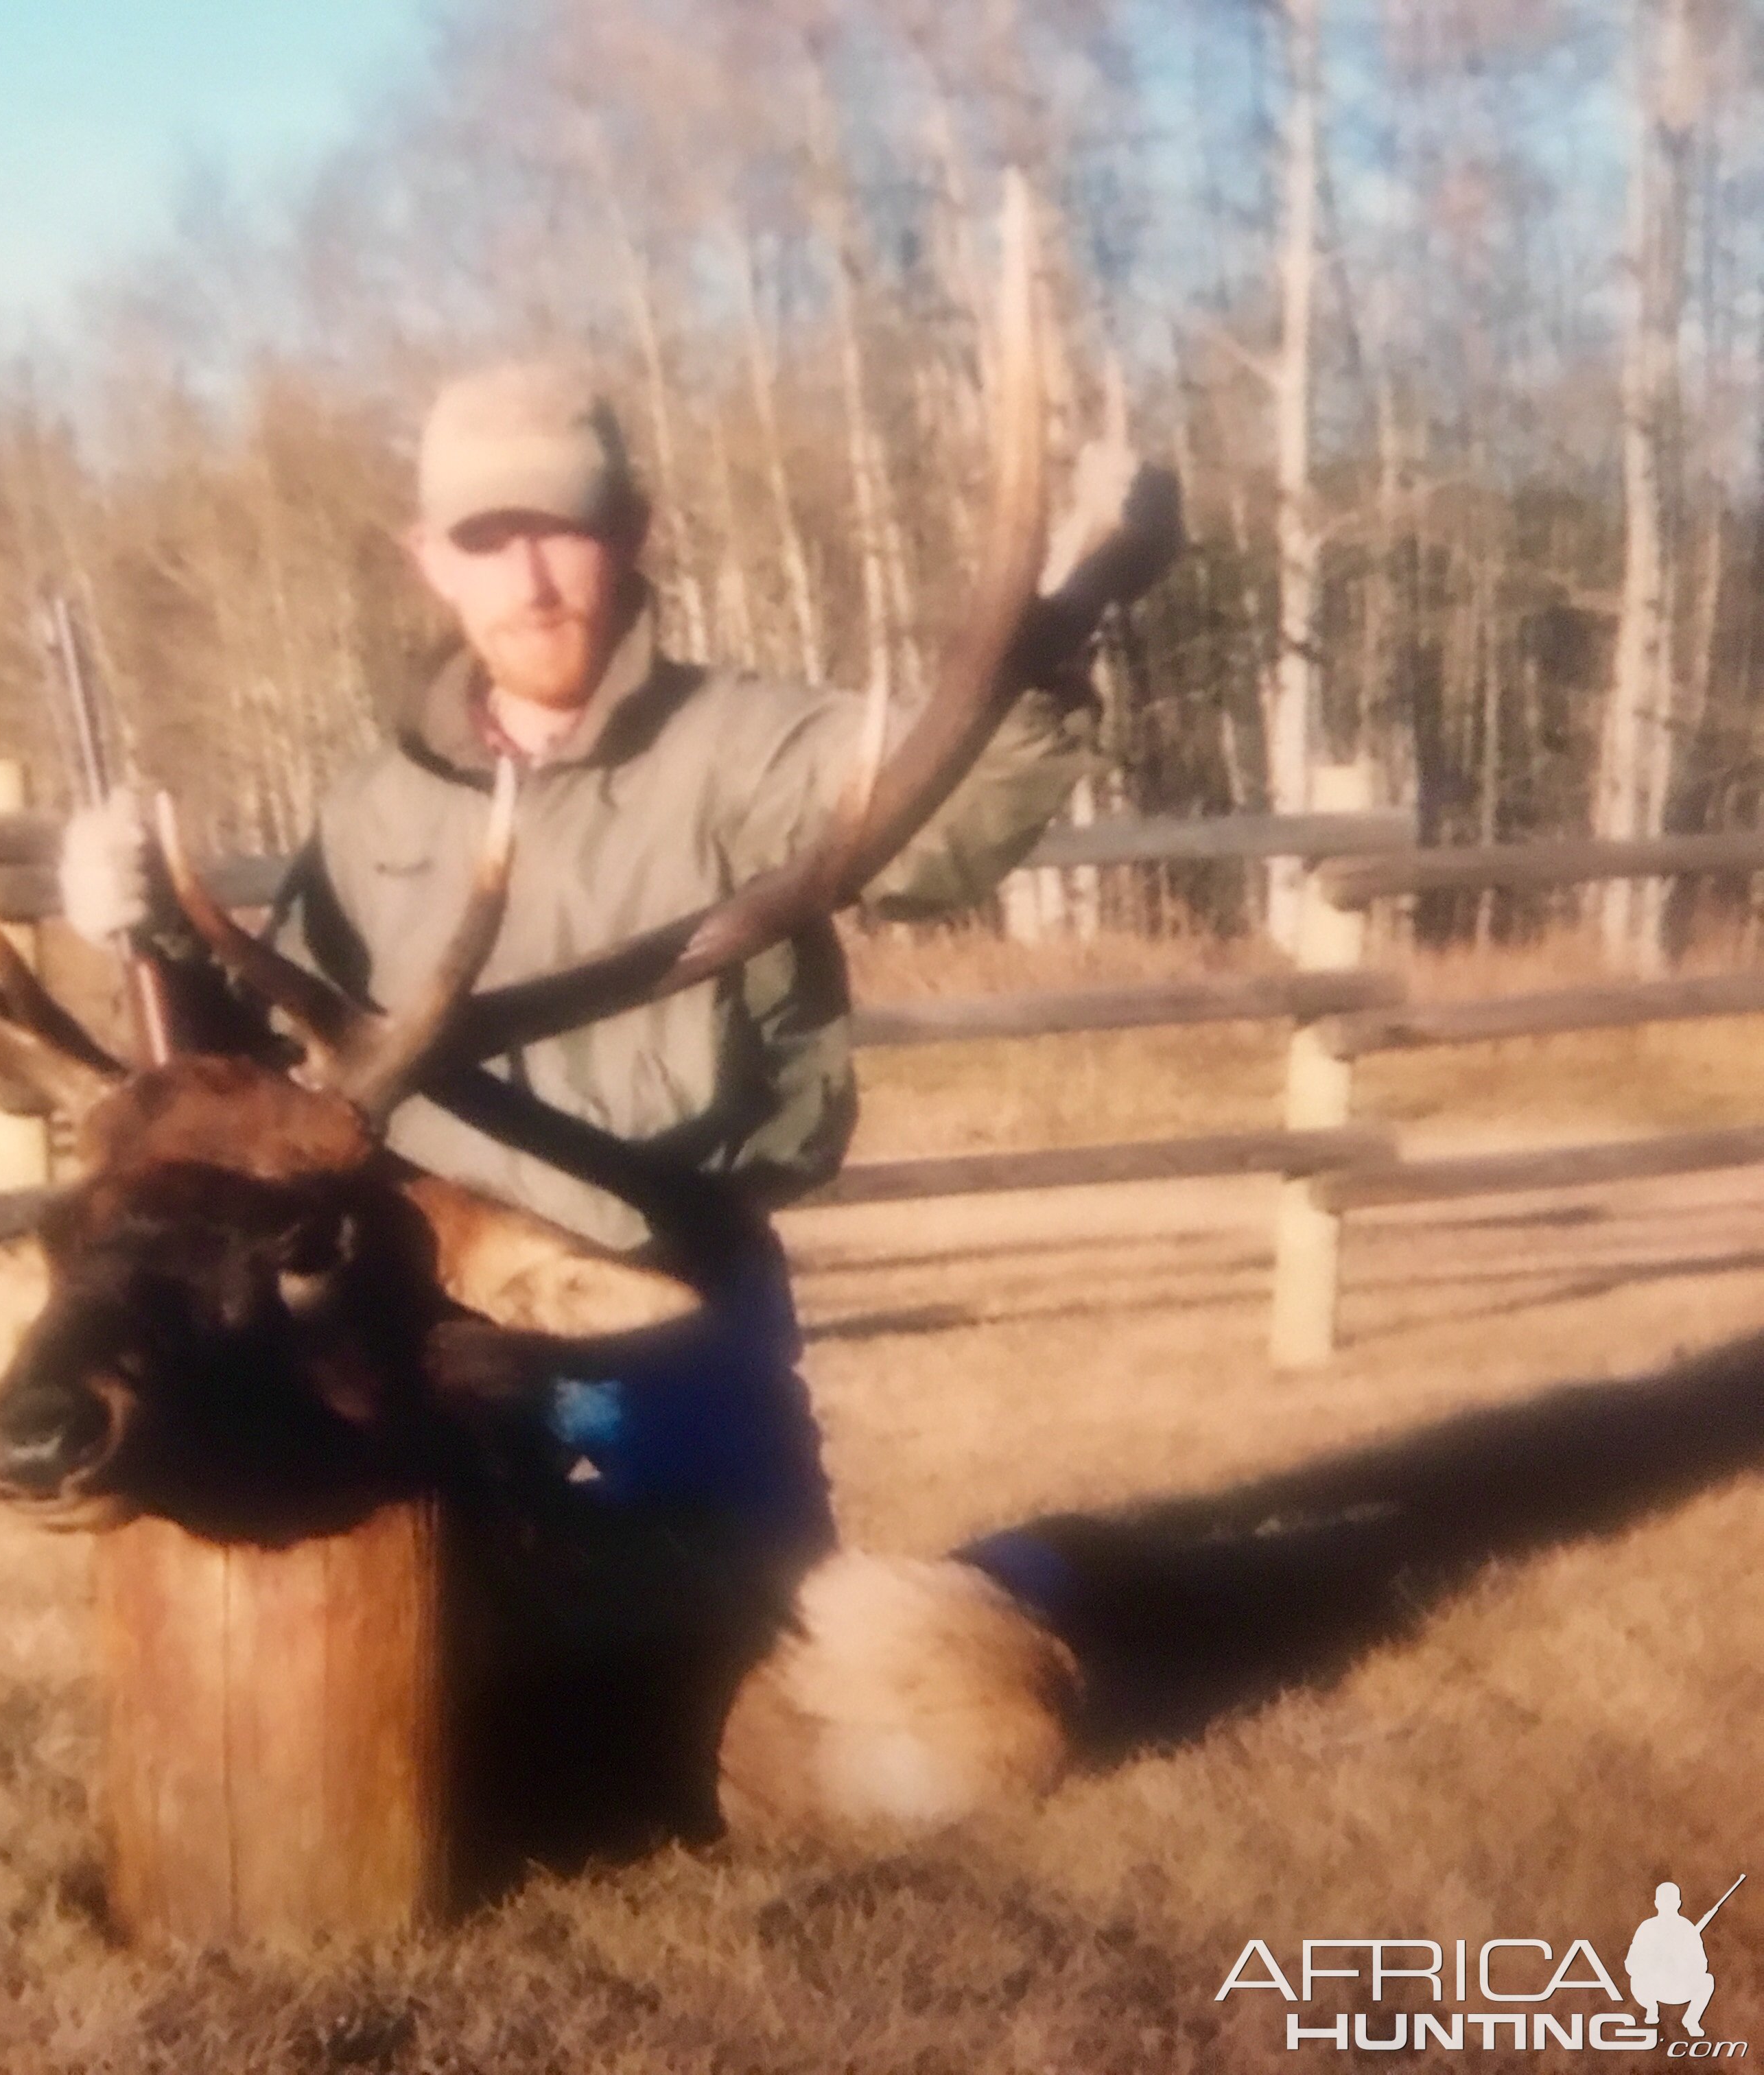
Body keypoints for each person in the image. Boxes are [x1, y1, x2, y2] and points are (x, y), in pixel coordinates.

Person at [58, 357, 1180, 1566]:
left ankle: (1068, 1583)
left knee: (747, 1676)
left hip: (670, 1307)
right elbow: (273, 1085)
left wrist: (1058, 622)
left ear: (634, 534)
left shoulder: (750, 746)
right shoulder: (375, 804)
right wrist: (151, 933)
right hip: (434, 1328)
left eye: (565, 532)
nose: (532, 583)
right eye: (489, 541)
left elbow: (935, 844)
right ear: (429, 558)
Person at [1629, 1881, 1718, 2037]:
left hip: (1679, 1987)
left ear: (1678, 1903)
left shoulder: (1687, 1928)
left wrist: (1681, 1963)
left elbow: (1702, 1964)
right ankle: (1651, 2008)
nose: (1667, 1905)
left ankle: (1691, 2019)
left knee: (1707, 1980)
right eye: (1664, 1901)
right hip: (1652, 1987)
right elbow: (1631, 1964)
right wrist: (1653, 1964)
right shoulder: (1647, 1927)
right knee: (1636, 1979)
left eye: (1670, 1901)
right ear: (1656, 1903)